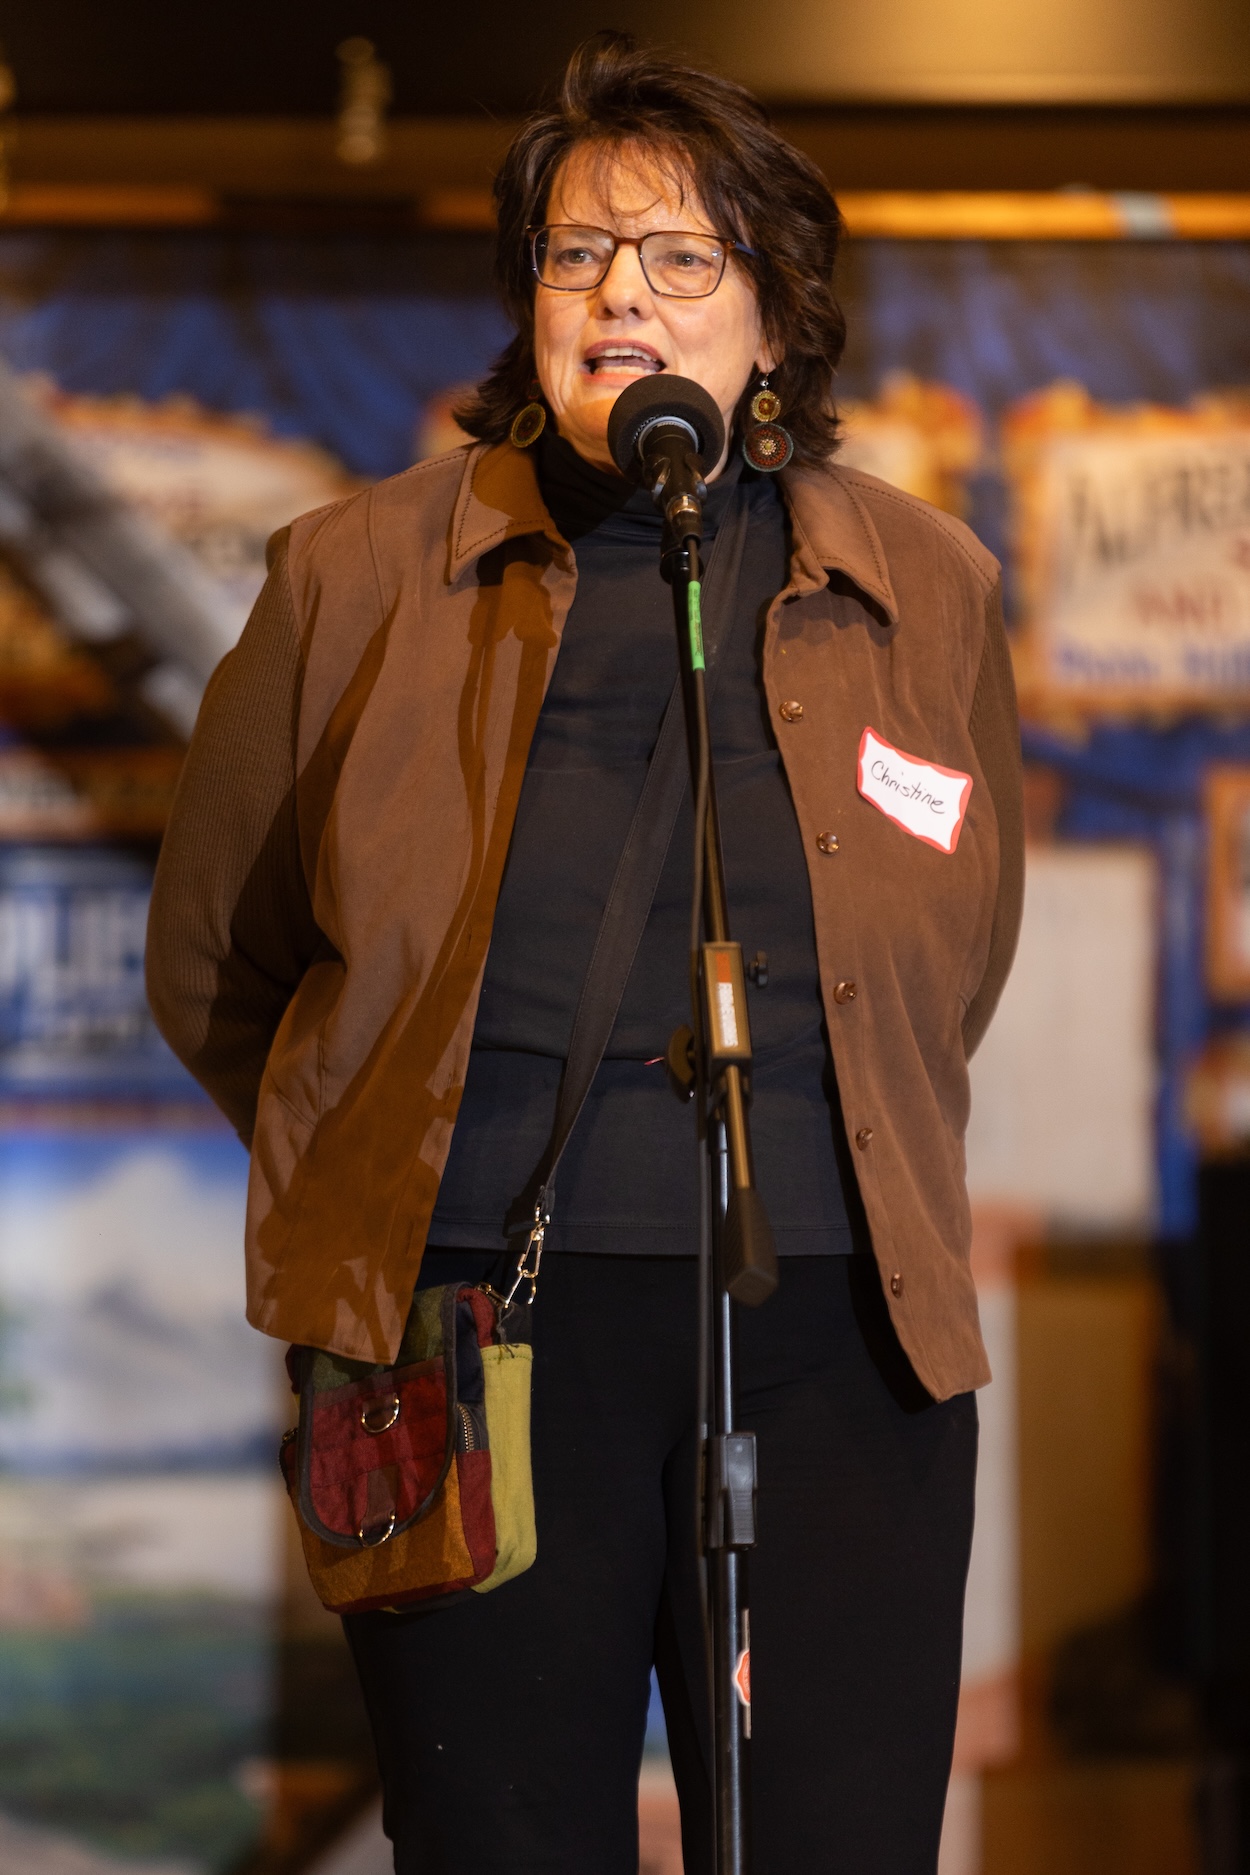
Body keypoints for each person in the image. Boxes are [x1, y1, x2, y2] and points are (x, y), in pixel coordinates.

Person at [146, 32, 1023, 1875]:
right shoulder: (353, 575)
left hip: (839, 1339)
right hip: (475, 1341)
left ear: (775, 318)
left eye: (679, 257)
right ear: (529, 305)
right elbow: (217, 959)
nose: (619, 293)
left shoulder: (921, 583)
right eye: (572, 254)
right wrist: (393, 1172)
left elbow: (962, 942)